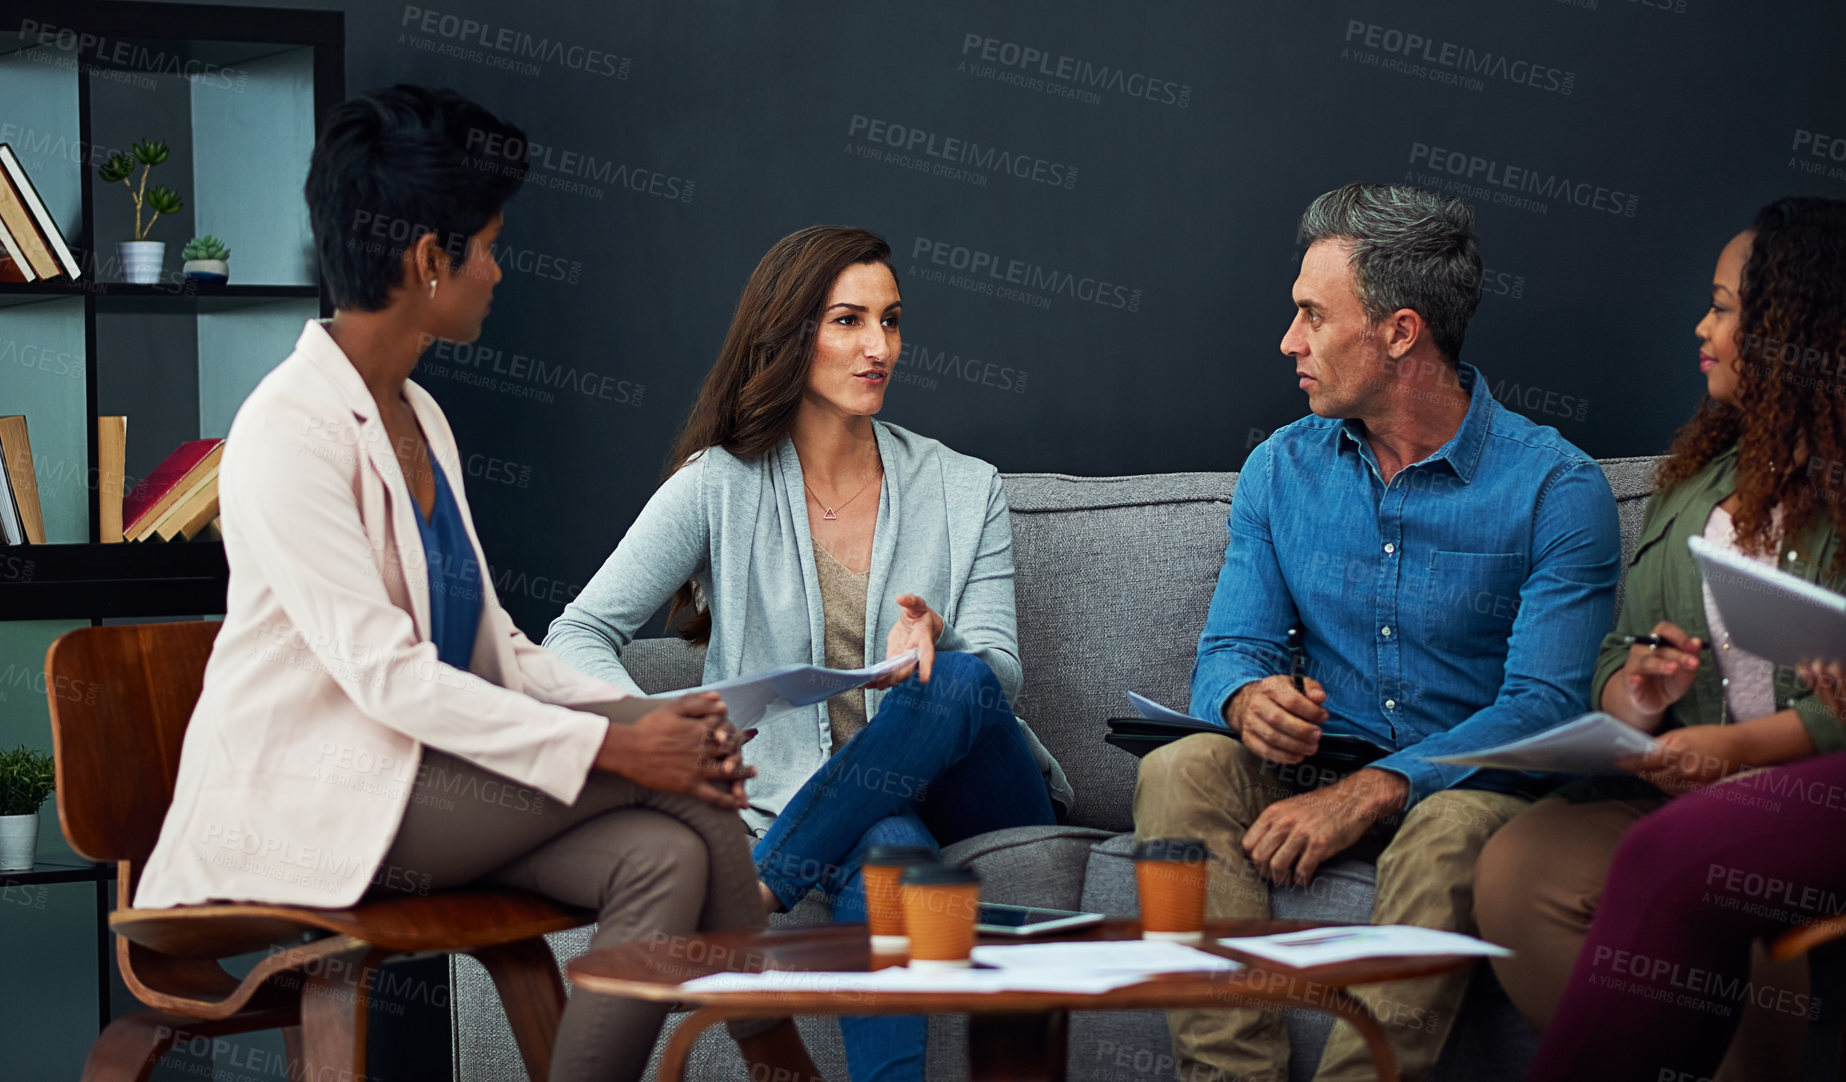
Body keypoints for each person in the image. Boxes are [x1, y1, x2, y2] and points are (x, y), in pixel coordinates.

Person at [133, 86, 818, 1082]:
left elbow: (499, 642)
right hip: (325, 801)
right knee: (684, 784)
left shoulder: (422, 416)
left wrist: (646, 710)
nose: (499, 268)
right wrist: (633, 741)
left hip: (430, 788)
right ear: (426, 259)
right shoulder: (286, 432)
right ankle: (783, 1060)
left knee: (659, 859)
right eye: (489, 244)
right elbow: (388, 677)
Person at [544, 224, 1073, 1082]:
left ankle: (758, 888)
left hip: (979, 790)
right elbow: (574, 634)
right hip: (841, 800)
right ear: (792, 334)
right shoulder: (721, 483)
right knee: (887, 845)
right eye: (849, 322)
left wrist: (939, 639)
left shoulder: (964, 486)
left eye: (892, 322)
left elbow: (1001, 675)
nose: (879, 348)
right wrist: (665, 725)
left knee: (967, 674)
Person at [1133, 183, 1622, 1082]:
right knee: (1180, 768)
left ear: (1400, 334)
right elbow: (1230, 650)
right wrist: (1250, 699)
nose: (1289, 343)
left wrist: (1373, 791)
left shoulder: (1558, 490)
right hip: (1316, 760)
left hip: (1466, 788)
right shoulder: (1281, 467)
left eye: (1313, 317)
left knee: (1449, 831)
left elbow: (1547, 710)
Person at [1477, 195, 1846, 1082]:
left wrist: (1724, 750)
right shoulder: (1692, 484)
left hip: (1789, 790)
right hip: (1685, 781)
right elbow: (1619, 655)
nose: (1701, 325)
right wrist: (1640, 693)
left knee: (1695, 866)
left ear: (1795, 328)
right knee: (1516, 863)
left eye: (1724, 307)